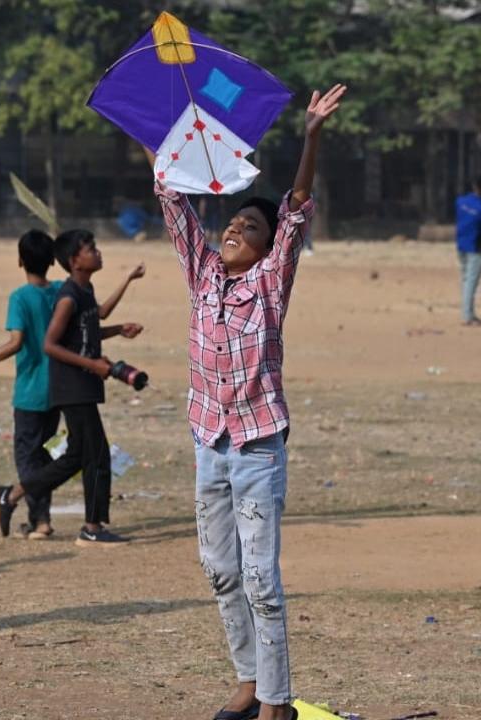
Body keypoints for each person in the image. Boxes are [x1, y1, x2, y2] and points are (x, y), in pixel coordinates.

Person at [152, 84, 346, 720]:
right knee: (219, 570)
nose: (236, 227)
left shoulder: (269, 282)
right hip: (209, 441)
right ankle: (246, 679)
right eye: (233, 221)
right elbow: (175, 202)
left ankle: (275, 701)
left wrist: (311, 134)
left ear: (267, 249)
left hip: (257, 447)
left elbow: (294, 210)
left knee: (261, 578)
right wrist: (166, 131)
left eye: (250, 227)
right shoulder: (203, 273)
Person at [0, 231, 145, 539]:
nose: (98, 253)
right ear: (64, 261)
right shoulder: (64, 292)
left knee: (64, 456)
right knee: (85, 454)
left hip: (52, 387)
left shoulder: (63, 292)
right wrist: (96, 362)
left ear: (21, 261)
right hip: (67, 384)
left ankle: (27, 507)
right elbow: (54, 342)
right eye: (92, 249)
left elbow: (85, 325)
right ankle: (84, 525)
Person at [454, 177, 481, 326]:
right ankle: (468, 316)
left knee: (465, 280)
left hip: (461, 245)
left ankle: (467, 313)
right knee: (471, 282)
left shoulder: (460, 201)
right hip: (475, 248)